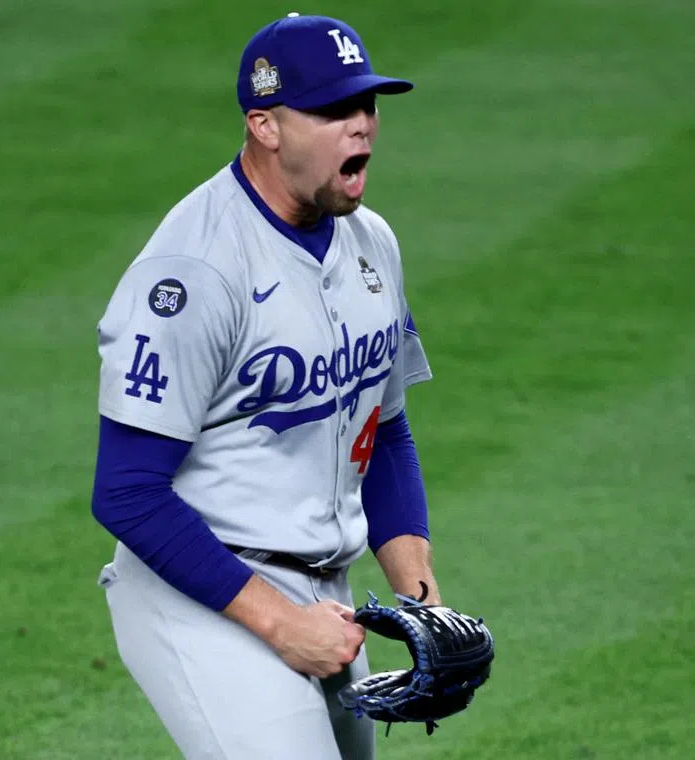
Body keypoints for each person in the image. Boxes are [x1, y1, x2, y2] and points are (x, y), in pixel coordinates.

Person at [89, 12, 440, 759]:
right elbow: (126, 491)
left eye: (367, 105)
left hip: (327, 596)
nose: (362, 127)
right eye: (333, 110)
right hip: (202, 594)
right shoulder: (196, 272)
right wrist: (283, 624)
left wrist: (419, 595)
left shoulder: (372, 242)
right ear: (265, 126)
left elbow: (384, 429)